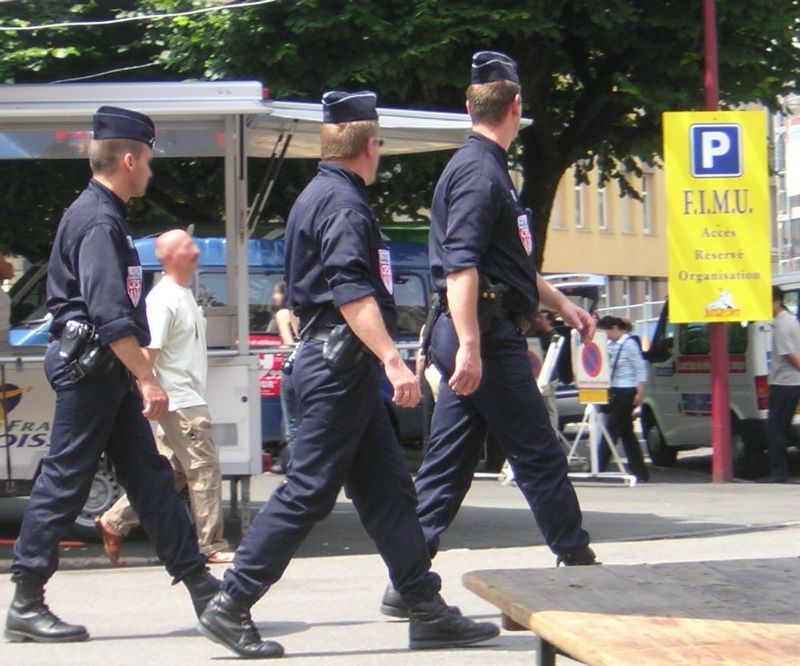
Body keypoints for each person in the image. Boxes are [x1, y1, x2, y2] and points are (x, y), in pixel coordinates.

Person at [196, 91, 499, 659]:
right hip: (341, 365)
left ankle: (423, 604)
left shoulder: (320, 195)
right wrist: (391, 358)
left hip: (339, 366)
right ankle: (231, 602)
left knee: (388, 493)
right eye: (380, 144)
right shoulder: (342, 205)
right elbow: (351, 289)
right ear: (371, 145)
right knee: (308, 489)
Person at [381, 50, 598, 618]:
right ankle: (576, 561)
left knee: (449, 463)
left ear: (469, 105)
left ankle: (406, 579)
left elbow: (511, 265)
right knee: (538, 451)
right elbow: (464, 266)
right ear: (516, 106)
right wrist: (474, 347)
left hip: (471, 327)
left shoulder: (484, 168)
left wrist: (562, 305)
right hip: (483, 333)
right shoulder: (482, 173)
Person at [5, 107, 218, 644]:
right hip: (94, 366)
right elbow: (108, 310)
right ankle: (26, 600)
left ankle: (203, 589)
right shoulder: (99, 220)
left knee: (148, 477)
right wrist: (148, 377)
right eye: (147, 160)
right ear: (129, 159)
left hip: (105, 368)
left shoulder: (104, 214)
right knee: (64, 480)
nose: (150, 170)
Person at [97, 229, 234, 564]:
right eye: (188, 246)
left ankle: (114, 521)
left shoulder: (183, 294)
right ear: (170, 256)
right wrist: (150, 387)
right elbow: (148, 353)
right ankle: (211, 545)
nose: (197, 251)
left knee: (170, 472)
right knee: (204, 469)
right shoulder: (164, 299)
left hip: (181, 397)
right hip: (180, 401)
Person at [595, 316, 649, 482]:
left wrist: (640, 393)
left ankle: (599, 467)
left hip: (627, 391)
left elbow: (640, 369)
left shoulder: (630, 343)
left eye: (606, 332)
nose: (606, 336)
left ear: (614, 328)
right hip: (615, 389)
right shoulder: (610, 344)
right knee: (627, 434)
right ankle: (640, 471)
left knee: (611, 429)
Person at [764, 286, 800, 483]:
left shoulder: (781, 324)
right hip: (792, 382)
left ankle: (779, 473)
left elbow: (789, 355)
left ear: (776, 301)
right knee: (785, 428)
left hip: (784, 382)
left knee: (775, 428)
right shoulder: (791, 320)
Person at [272, 281, 302, 474]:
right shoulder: (305, 310)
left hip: (293, 366)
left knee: (292, 423)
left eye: (275, 292)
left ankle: (295, 470)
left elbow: (288, 342)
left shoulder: (283, 314)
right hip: (313, 367)